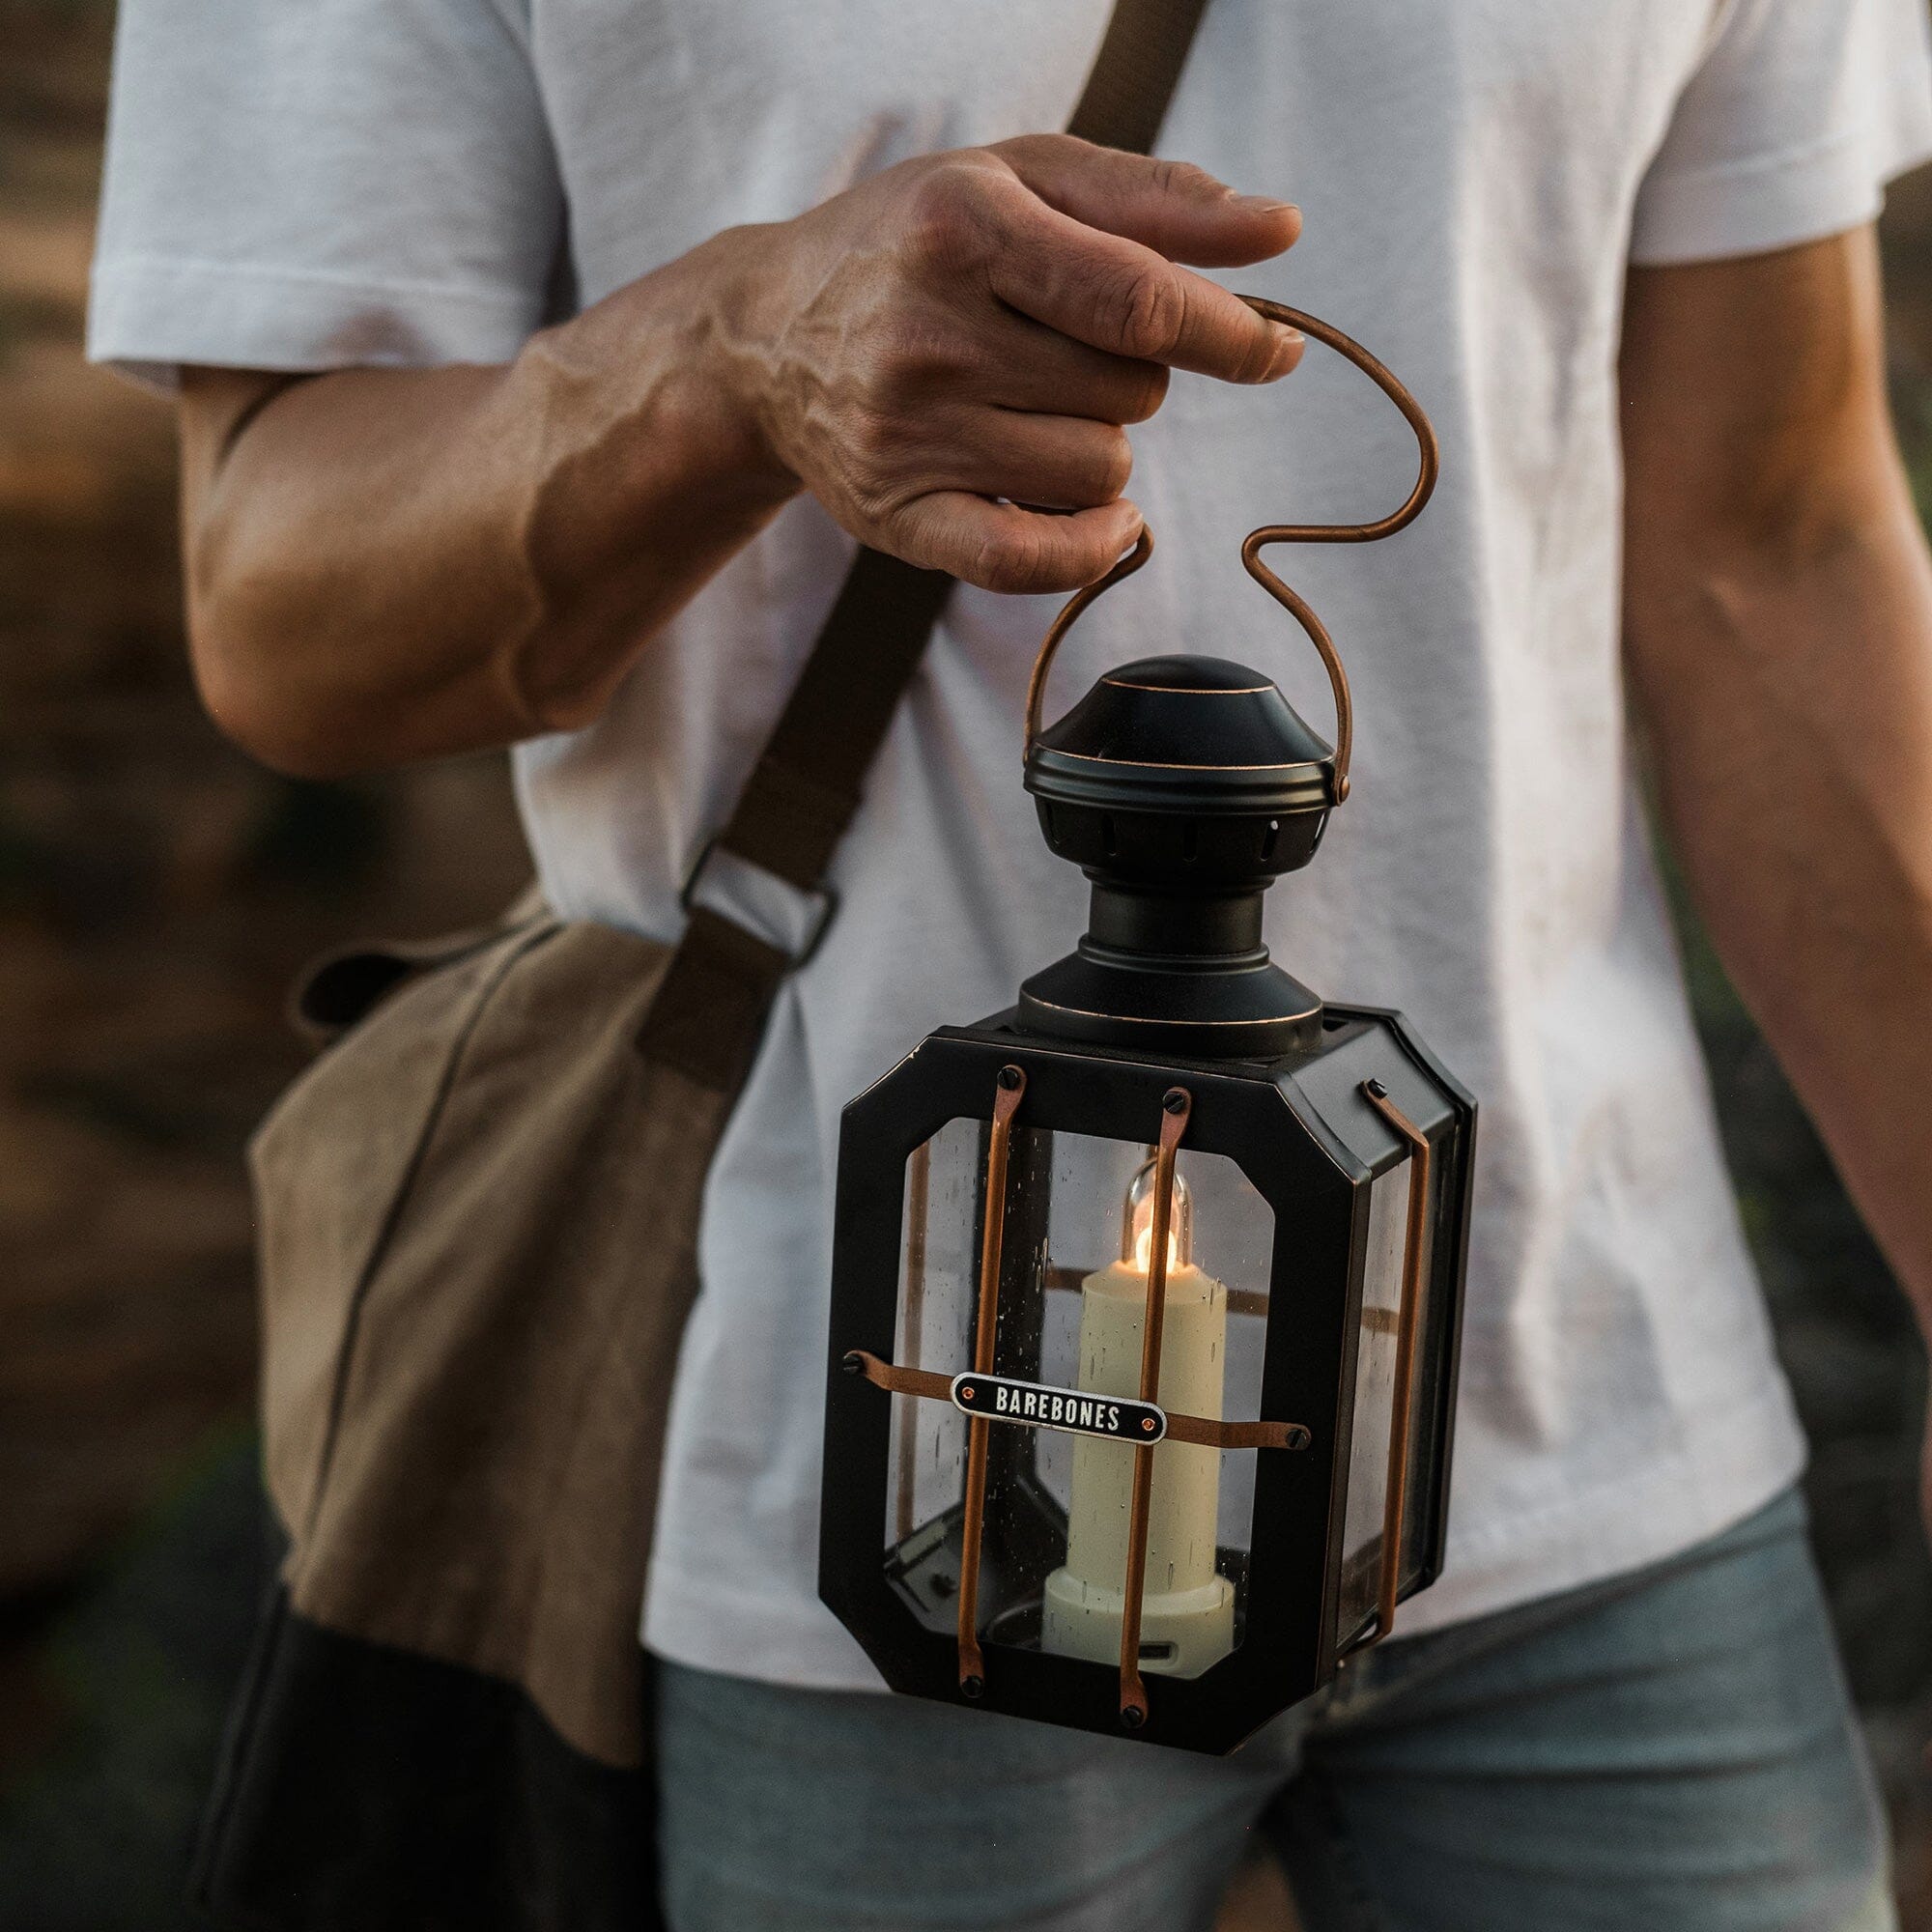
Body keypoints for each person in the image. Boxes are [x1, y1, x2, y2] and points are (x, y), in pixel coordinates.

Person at [89, 0, 1932, 1926]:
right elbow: (280, 611)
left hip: (1595, 1424)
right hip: (878, 1511)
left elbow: (1771, 543)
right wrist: (728, 359)